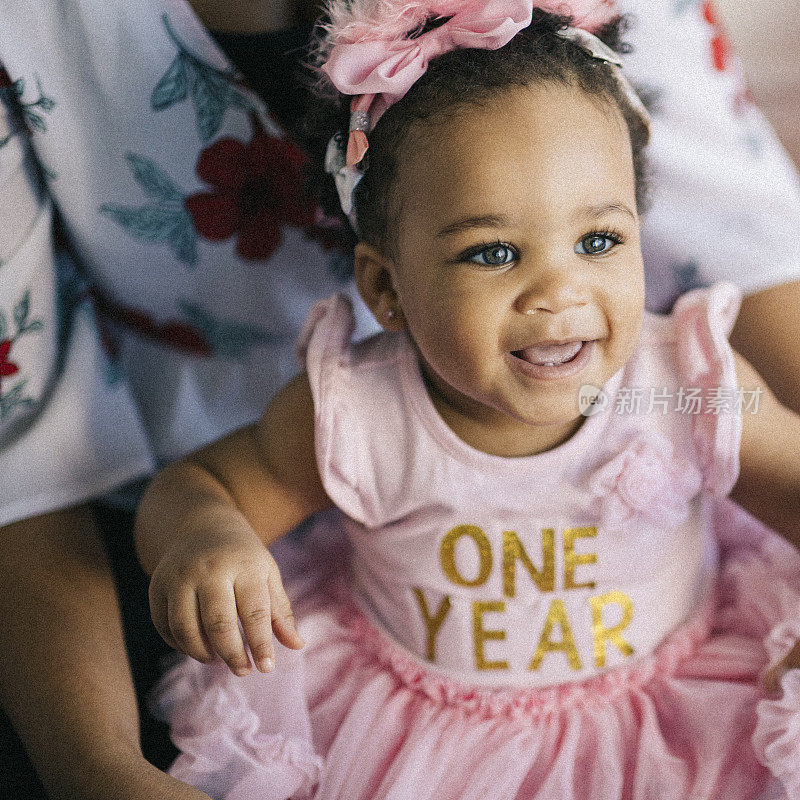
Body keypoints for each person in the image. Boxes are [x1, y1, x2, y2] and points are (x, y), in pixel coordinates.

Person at [3, 0, 800, 798]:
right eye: (493, 252)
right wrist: (208, 537)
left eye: (599, 241)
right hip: (421, 738)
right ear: (385, 288)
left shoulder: (680, 384)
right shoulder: (358, 408)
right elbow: (201, 487)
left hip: (663, 717)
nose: (561, 292)